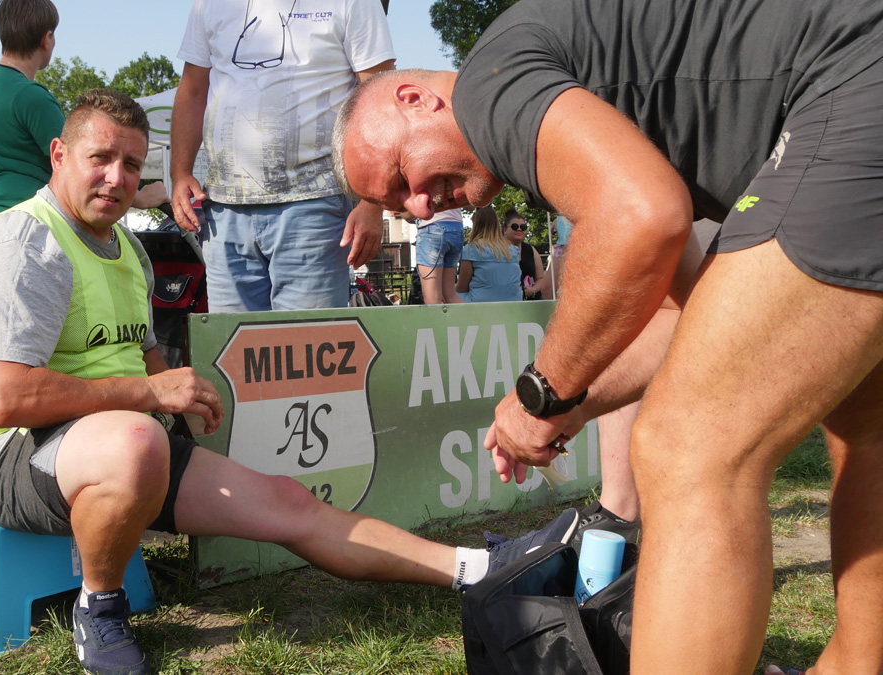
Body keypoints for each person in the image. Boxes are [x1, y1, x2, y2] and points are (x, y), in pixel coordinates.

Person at [330, 0, 883, 671]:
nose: (419, 207)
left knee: (687, 444)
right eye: (395, 206)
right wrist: (573, 402)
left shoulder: (488, 87)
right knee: (865, 427)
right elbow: (694, 316)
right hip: (851, 81)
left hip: (853, 81)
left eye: (401, 179)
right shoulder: (571, 95)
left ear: (416, 99)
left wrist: (540, 393)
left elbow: (642, 213)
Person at [0, 88, 581, 675]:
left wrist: (175, 395)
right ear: (59, 155)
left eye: (132, 164)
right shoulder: (23, 242)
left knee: (292, 503)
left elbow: (143, 359)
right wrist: (150, 396)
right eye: (100, 159)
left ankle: (480, 566)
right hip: (10, 458)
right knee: (137, 440)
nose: (117, 178)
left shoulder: (128, 250)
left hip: (119, 448)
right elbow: (10, 398)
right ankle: (99, 607)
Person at [0, 0, 167, 519]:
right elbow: (83, 159)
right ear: (47, 40)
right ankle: (20, 459)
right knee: (20, 363)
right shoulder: (32, 96)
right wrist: (145, 191)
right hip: (24, 231)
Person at [167, 0, 394, 312]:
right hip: (224, 211)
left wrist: (373, 201)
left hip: (315, 206)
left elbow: (380, 95)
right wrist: (180, 173)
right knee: (233, 342)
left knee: (305, 341)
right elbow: (193, 91)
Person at [456, 206, 520, 303]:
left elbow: (462, 288)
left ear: (476, 225)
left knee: (446, 293)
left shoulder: (472, 249)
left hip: (480, 305)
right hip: (514, 304)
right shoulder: (513, 250)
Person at [414, 208, 466, 305]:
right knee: (450, 296)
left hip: (432, 228)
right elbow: (470, 206)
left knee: (432, 299)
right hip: (456, 229)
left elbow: (408, 213)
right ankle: (475, 315)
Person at [502, 209, 547, 301]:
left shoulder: (531, 250)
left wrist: (533, 290)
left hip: (531, 301)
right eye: (514, 226)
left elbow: (541, 278)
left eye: (523, 227)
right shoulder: (496, 251)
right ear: (505, 229)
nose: (519, 229)